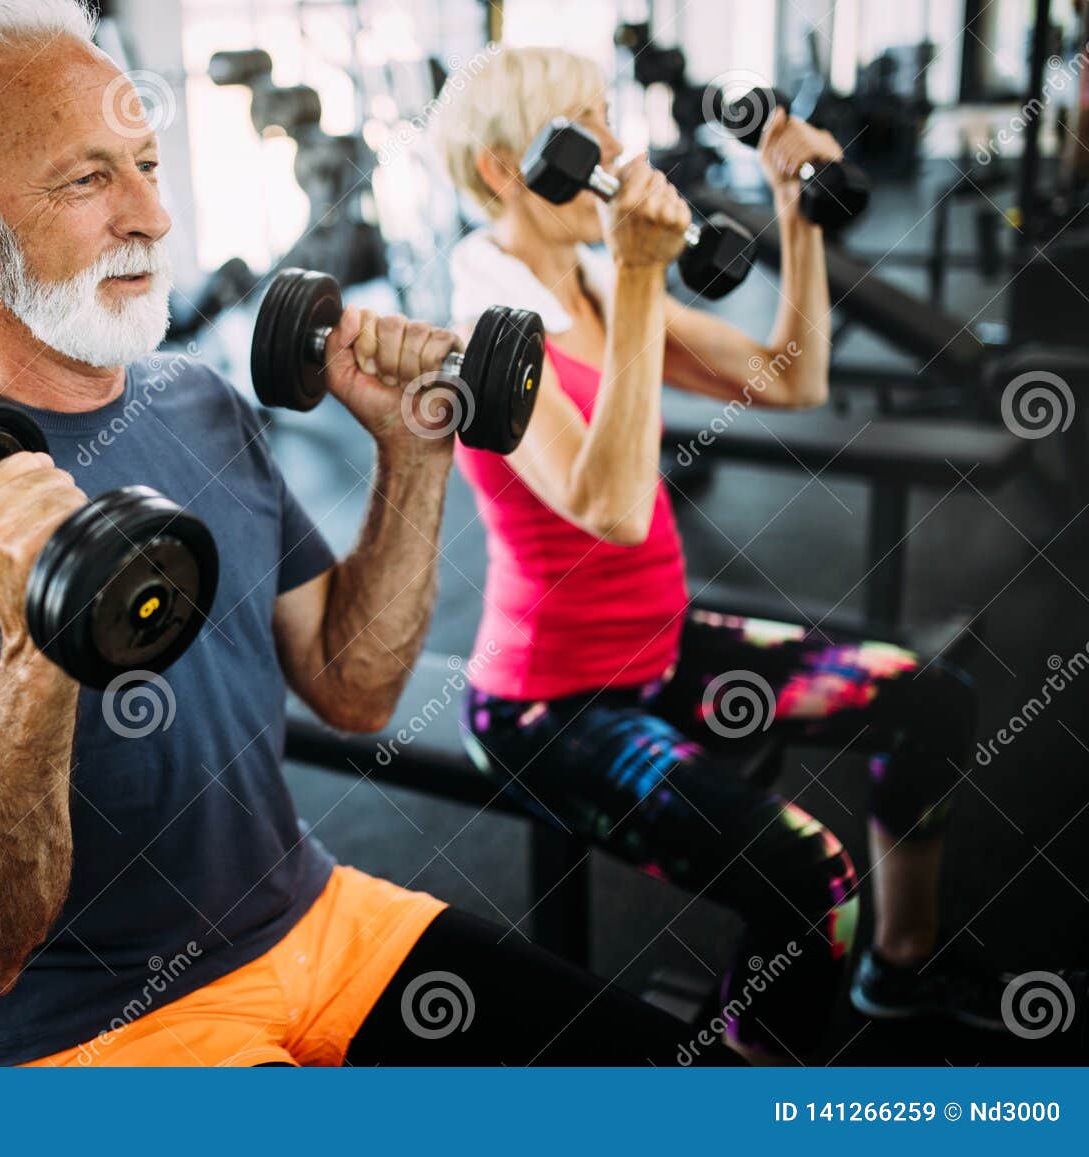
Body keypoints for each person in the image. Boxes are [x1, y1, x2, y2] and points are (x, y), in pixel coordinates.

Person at [0, 1, 732, 1067]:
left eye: (148, 163)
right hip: (93, 1031)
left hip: (314, 919)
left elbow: (354, 688)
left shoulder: (195, 399)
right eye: (88, 178)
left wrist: (412, 454)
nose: (151, 213)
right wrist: (38, 645)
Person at [433, 46, 998, 1062]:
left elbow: (792, 377)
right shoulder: (486, 328)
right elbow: (604, 504)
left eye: (610, 119)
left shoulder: (592, 282)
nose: (618, 148)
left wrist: (794, 211)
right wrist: (644, 272)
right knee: (810, 879)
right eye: (586, 128)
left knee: (934, 697)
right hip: (548, 703)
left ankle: (901, 967)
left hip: (657, 642)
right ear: (502, 170)